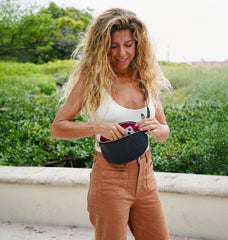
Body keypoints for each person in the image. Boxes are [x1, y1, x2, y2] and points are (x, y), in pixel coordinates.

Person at [51, 8, 171, 240]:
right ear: (102, 46)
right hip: (110, 176)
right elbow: (58, 127)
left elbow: (164, 131)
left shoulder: (147, 79)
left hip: (146, 177)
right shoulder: (92, 81)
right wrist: (97, 127)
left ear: (138, 44)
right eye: (113, 46)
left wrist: (159, 129)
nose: (121, 52)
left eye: (128, 44)